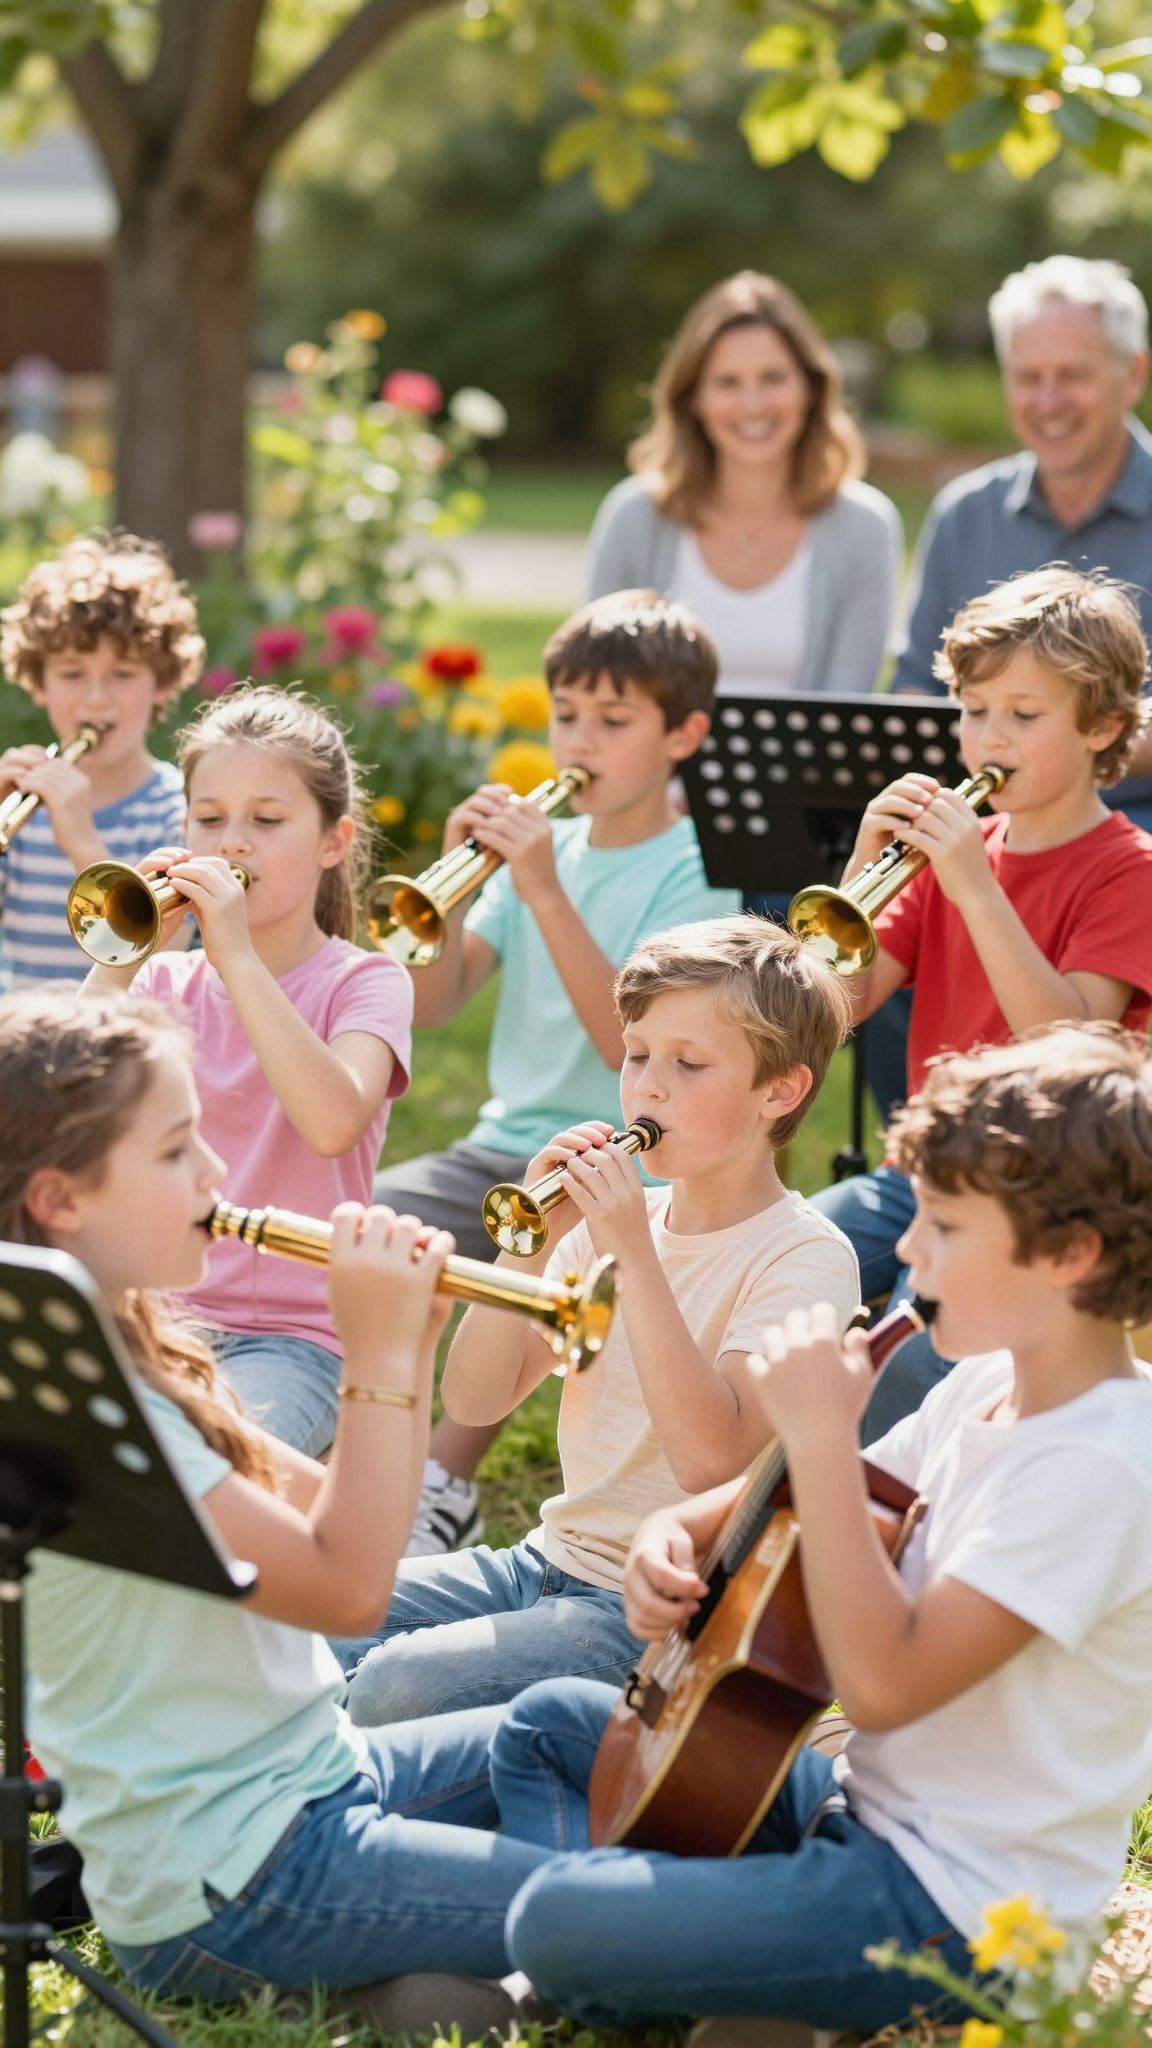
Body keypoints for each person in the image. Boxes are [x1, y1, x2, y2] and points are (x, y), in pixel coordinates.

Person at [488, 1023, 1152, 2039]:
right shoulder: (984, 1381)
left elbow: (881, 1683)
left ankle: (653, 1964)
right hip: (859, 1808)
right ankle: (720, 1973)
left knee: (556, 1920)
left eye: (943, 1228)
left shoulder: (1101, 1463)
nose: (908, 1253)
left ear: (1069, 1253)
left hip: (957, 1910)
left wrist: (823, 1438)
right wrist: (674, 1532)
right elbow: (785, 1503)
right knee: (548, 1725)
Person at [16, 992, 551, 2026]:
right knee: (611, 1901)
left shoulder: (142, 1357)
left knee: (582, 1737)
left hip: (307, 1783)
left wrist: (406, 1347)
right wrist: (377, 1355)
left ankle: (423, 1979)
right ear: (59, 1198)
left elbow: (350, 1518)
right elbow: (351, 1591)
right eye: (177, 1149)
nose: (217, 1172)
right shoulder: (109, 1412)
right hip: (240, 1879)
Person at [340, 914, 861, 1727]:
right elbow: (475, 1401)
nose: (648, 1087)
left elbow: (709, 1460)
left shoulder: (804, 1258)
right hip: (541, 1562)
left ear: (780, 1091)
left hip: (660, 1619)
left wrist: (633, 1256)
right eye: (637, 1054)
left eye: (689, 1064)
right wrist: (526, 1250)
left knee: (394, 1688)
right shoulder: (609, 1226)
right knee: (304, 1617)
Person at [375, 588, 740, 1554]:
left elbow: (630, 1040)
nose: (580, 741)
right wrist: (454, 894)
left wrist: (540, 889)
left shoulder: (695, 869)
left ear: (684, 735)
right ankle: (375, 1456)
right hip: (502, 1141)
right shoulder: (553, 848)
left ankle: (443, 1483)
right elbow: (436, 1003)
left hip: (627, 1153)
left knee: (533, 1263)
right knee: (368, 1230)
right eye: (567, 715)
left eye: (614, 721)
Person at [810, 565, 1152, 1439]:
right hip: (917, 1175)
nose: (988, 737)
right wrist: (863, 872)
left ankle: (869, 1497)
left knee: (916, 1365)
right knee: (785, 1262)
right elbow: (840, 1005)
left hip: (1042, 1195)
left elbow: (1069, 1037)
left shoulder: (1129, 871)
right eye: (972, 710)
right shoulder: (954, 858)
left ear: (1104, 727)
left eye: (1024, 715)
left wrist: (974, 884)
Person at [81, 685, 413, 1459]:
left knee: (203, 1466)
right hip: (150, 1314)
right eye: (209, 819)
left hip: (294, 1339)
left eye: (266, 821)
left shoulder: (366, 982)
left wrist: (233, 957)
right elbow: (49, 1105)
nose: (232, 844)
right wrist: (121, 963)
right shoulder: (162, 983)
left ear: (333, 841)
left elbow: (333, 1122)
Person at [875, 256, 1152, 1120]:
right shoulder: (967, 511)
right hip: (1002, 805)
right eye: (1028, 376)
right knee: (909, 922)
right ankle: (923, 1135)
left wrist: (1085, 733)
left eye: (1072, 374)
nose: (1048, 398)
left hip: (1130, 814)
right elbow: (915, 681)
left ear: (1132, 374)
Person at [585, 271, 903, 701]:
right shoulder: (634, 518)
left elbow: (846, 708)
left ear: (810, 388)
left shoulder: (864, 528)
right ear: (693, 398)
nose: (753, 404)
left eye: (773, 378)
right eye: (727, 382)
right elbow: (596, 692)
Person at [0, 533, 198, 990]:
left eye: (122, 674)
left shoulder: (180, 810)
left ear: (163, 683)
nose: (96, 698)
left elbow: (167, 963)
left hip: (128, 1031)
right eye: (71, 673)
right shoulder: (22, 806)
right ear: (39, 684)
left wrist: (83, 844)